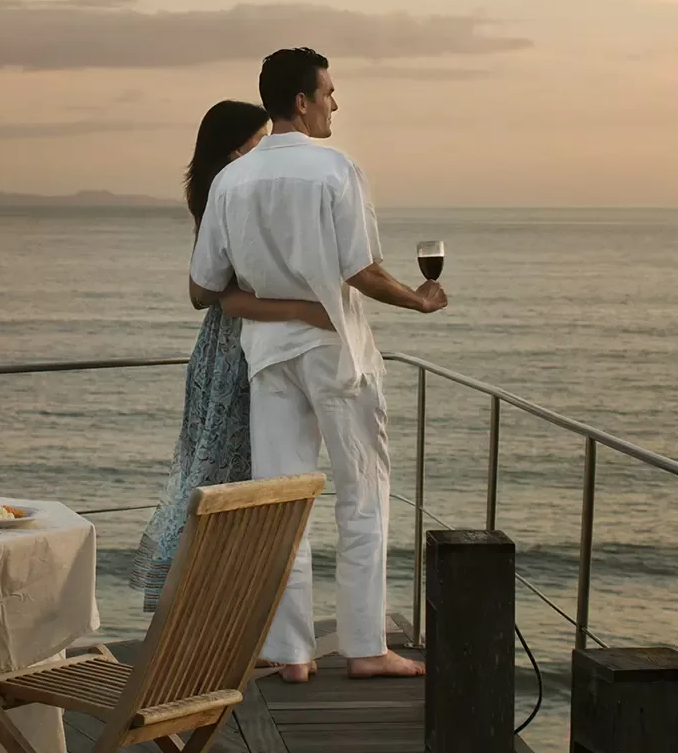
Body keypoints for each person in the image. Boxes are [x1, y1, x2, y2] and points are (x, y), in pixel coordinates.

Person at [191, 48, 446, 681]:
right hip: (336, 354)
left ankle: (291, 654)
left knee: (282, 503)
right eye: (328, 92)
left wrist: (276, 293)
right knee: (363, 498)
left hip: (268, 356)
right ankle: (366, 648)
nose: (336, 103)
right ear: (302, 102)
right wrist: (418, 300)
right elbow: (362, 272)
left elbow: (204, 286)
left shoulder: (231, 181)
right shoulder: (336, 169)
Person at [129, 99, 334, 613]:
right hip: (231, 353)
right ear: (234, 151)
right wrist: (300, 307)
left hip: (244, 346)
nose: (267, 149)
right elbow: (204, 293)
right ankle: (200, 607)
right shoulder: (226, 197)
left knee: (242, 479)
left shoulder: (239, 195)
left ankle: (229, 610)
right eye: (259, 140)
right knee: (222, 479)